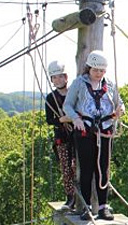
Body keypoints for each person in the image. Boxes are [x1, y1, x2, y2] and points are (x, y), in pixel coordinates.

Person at [63, 50, 124, 220]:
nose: (98, 74)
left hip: (105, 130)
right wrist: (75, 118)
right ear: (89, 68)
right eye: (96, 70)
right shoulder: (79, 83)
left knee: (103, 169)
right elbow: (67, 105)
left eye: (102, 71)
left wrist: (120, 111)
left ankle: (103, 206)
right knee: (87, 169)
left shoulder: (110, 85)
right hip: (85, 131)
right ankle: (87, 207)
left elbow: (120, 103)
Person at [45, 60, 76, 210]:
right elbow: (49, 120)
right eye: (55, 78)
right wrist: (62, 119)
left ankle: (85, 196)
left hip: (77, 136)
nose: (58, 80)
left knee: (79, 166)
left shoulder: (74, 93)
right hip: (62, 137)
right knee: (66, 168)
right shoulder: (51, 98)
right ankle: (70, 197)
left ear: (66, 77)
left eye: (60, 77)